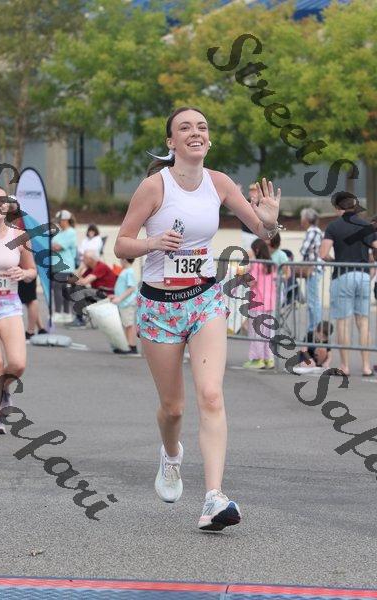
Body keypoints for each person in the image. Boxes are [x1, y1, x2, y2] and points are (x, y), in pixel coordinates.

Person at [114, 106, 281, 531]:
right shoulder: (154, 186)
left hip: (205, 299)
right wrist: (153, 243)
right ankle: (171, 455)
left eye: (202, 127)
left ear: (209, 139)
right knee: (173, 408)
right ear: (171, 142)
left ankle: (213, 498)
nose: (195, 132)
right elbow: (122, 244)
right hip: (159, 306)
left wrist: (270, 223)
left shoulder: (219, 183)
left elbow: (266, 235)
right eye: (185, 127)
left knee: (211, 395)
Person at [0, 187, 37, 434]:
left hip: (9, 303)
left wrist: (23, 273)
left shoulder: (19, 236)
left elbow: (32, 271)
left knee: (18, 364)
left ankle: (2, 389)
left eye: (3, 200)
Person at [320, 191, 377, 377]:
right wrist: (371, 262)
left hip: (343, 275)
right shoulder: (366, 225)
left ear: (338, 208)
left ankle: (345, 366)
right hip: (363, 275)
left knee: (343, 323)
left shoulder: (333, 226)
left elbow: (323, 254)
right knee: (363, 322)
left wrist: (334, 261)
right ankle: (366, 366)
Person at [243, 239, 277, 370]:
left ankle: (257, 359)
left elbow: (251, 282)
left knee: (257, 332)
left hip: (258, 303)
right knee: (268, 333)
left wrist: (247, 269)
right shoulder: (272, 265)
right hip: (270, 304)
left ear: (256, 250)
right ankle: (269, 359)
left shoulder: (256, 264)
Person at [69, 250, 117, 328]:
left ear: (90, 259)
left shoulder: (100, 266)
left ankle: (80, 320)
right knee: (76, 288)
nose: (82, 260)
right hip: (98, 292)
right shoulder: (91, 268)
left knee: (78, 289)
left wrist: (80, 270)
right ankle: (79, 318)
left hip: (106, 293)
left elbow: (84, 282)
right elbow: (74, 281)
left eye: (84, 258)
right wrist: (80, 270)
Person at [51, 209, 78, 324]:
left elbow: (57, 247)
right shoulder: (60, 232)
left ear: (66, 220)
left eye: (60, 220)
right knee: (62, 289)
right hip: (57, 265)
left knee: (58, 287)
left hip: (65, 265)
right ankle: (66, 314)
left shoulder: (71, 232)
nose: (58, 222)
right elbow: (53, 245)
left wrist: (49, 245)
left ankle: (58, 313)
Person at [300, 208, 323, 332]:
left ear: (307, 219)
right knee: (313, 301)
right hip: (313, 269)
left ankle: (315, 329)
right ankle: (313, 328)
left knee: (313, 302)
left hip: (313, 269)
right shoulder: (316, 231)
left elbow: (304, 249)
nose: (301, 220)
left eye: (302, 218)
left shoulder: (312, 231)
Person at [110, 258, 138, 355]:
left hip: (127, 303)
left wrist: (119, 298)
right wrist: (116, 297)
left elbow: (131, 288)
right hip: (124, 302)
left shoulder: (129, 272)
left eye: (121, 258)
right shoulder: (126, 271)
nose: (120, 260)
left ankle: (132, 346)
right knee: (126, 324)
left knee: (129, 325)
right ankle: (127, 345)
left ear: (125, 259)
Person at [240, 183, 259, 252]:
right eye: (252, 191)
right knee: (248, 252)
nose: (253, 193)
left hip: (259, 233)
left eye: (255, 191)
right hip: (247, 233)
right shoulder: (244, 202)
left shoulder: (262, 203)